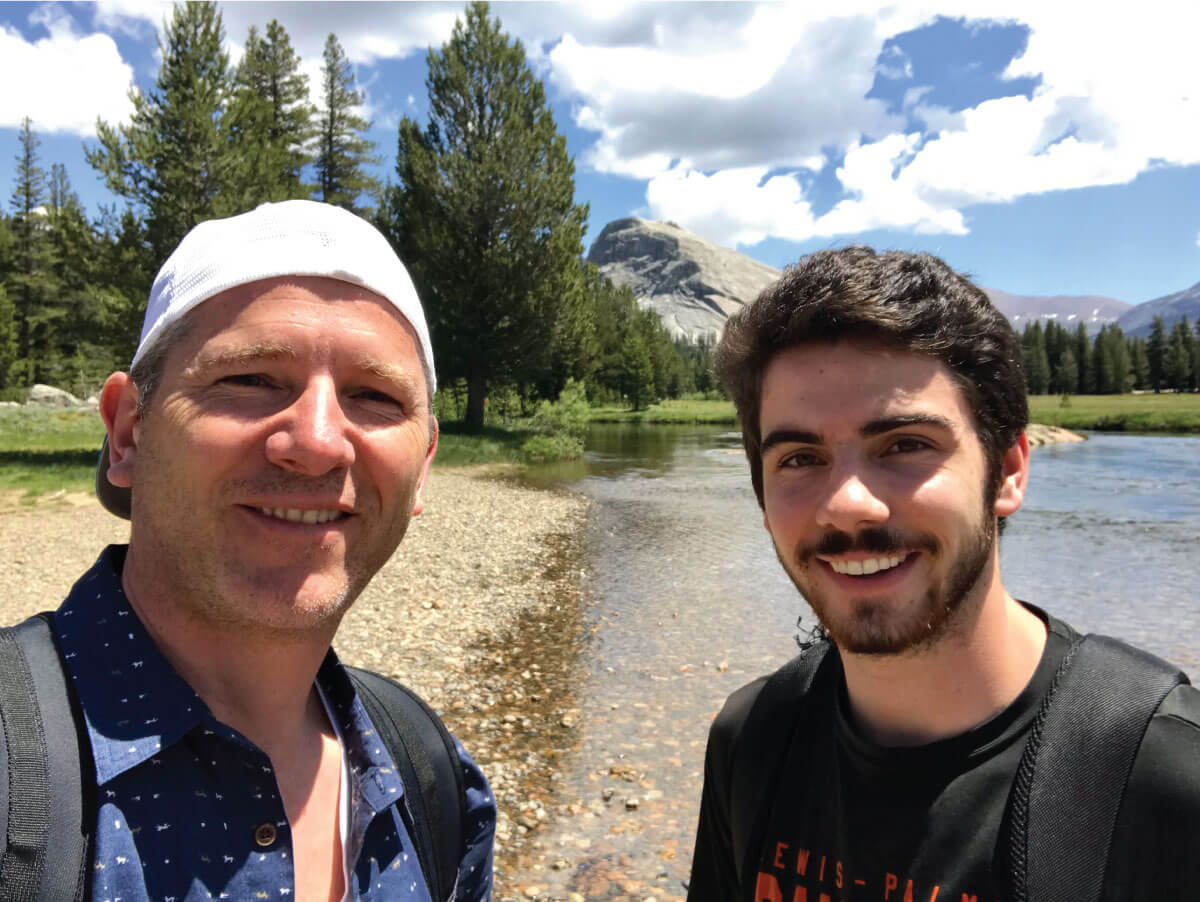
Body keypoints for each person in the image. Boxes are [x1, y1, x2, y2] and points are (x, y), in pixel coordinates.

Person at [2, 201, 493, 901]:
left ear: (422, 467)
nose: (320, 440)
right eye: (252, 379)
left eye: (376, 396)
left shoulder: (435, 778)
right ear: (128, 434)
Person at [687, 247, 1200, 901]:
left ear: (1009, 470)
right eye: (799, 458)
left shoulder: (1167, 782)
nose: (847, 504)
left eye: (904, 445)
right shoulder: (752, 743)